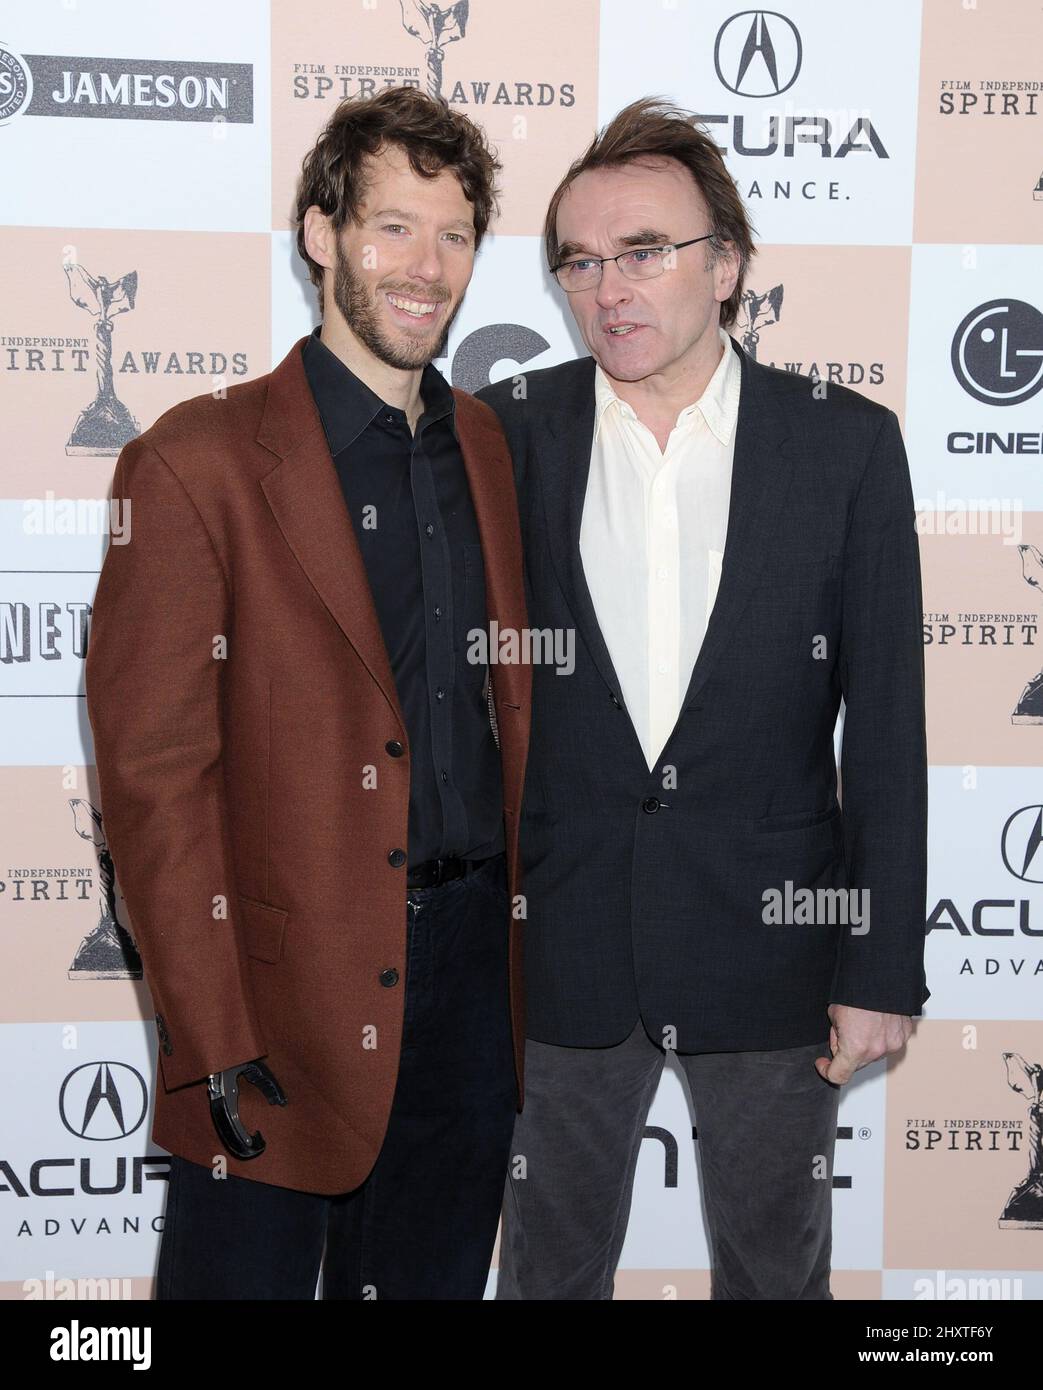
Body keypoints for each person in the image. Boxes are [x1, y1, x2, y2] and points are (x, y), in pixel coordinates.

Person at [477, 97, 929, 1300]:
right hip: (557, 945)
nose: (605, 287)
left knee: (777, 1279)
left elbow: (884, 726)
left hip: (775, 946)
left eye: (642, 251)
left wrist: (880, 962)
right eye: (577, 260)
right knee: (543, 1276)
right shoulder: (500, 434)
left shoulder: (845, 447)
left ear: (724, 263)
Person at [85, 86, 531, 1300]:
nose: (424, 268)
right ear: (319, 233)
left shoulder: (484, 444)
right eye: (392, 227)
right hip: (277, 998)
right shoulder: (193, 460)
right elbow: (153, 777)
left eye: (452, 236)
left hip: (468, 995)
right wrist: (213, 1030)